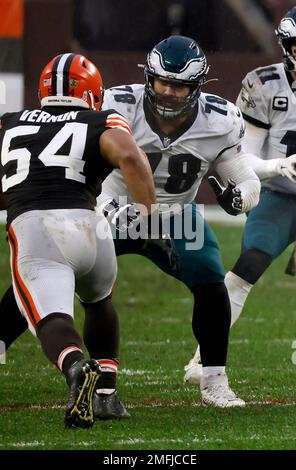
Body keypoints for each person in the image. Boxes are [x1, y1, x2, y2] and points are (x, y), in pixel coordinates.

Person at [0, 36, 260, 409]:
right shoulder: (115, 103)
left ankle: (214, 380)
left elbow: (245, 176)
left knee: (212, 285)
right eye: (162, 83)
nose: (169, 93)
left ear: (197, 86)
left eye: (180, 85)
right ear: (148, 78)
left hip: (174, 216)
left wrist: (241, 198)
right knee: (36, 284)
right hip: (109, 211)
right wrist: (110, 207)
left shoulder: (219, 119)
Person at [0, 52, 160, 427]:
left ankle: (76, 368)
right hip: (93, 228)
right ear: (92, 92)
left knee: (50, 320)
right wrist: (149, 219)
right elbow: (130, 158)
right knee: (99, 300)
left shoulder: (9, 122)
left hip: (37, 229)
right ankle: (107, 394)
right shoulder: (101, 117)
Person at [184, 6, 296, 385]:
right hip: (279, 193)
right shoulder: (265, 84)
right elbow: (242, 152)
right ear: (286, 46)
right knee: (248, 265)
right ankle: (203, 358)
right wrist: (277, 167)